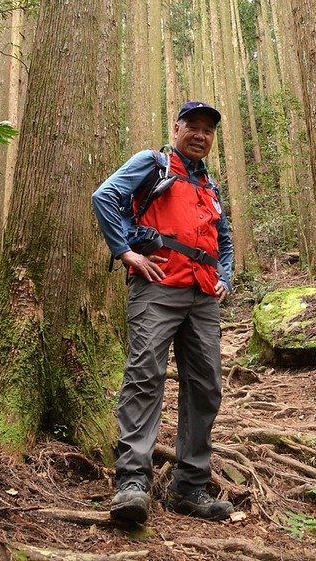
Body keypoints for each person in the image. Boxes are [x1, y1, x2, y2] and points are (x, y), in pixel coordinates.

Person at [92, 101, 234, 524]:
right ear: (176, 128)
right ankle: (132, 482)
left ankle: (190, 487)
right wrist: (126, 252)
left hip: (203, 296)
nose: (201, 135)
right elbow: (105, 197)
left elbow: (223, 238)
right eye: (193, 126)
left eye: (208, 130)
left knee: (206, 385)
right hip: (157, 287)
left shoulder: (210, 185)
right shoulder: (152, 164)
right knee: (145, 376)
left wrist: (224, 274)